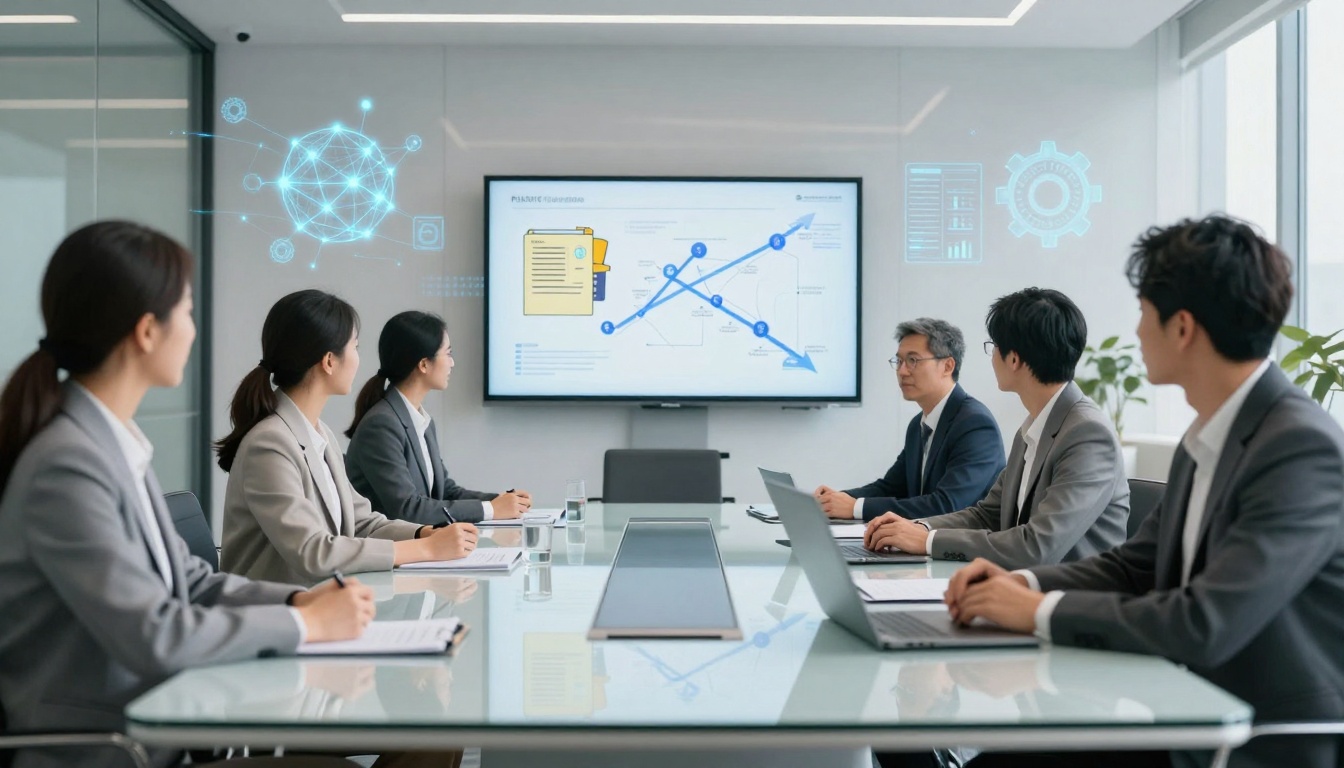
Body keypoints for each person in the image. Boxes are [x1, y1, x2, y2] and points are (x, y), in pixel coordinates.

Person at [943, 216, 1344, 768]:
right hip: (1180, 706)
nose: (1135, 332)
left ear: (1181, 328)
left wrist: (1035, 610)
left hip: (1255, 737)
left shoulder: (1299, 447)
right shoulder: (1209, 434)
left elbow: (1204, 623)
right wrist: (1017, 581)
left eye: (1142, 313)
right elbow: (1134, 566)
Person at [0, 221, 372, 768]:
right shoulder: (67, 466)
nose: (194, 332)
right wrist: (306, 624)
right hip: (114, 752)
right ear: (147, 331)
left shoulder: (110, 443)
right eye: (188, 312)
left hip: (168, 726)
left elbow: (190, 581)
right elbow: (154, 634)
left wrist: (297, 601)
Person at [217, 291, 478, 587]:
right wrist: (425, 549)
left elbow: (361, 522)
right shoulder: (269, 443)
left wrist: (423, 533)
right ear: (329, 361)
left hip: (321, 604)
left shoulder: (319, 432)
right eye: (354, 346)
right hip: (273, 616)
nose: (357, 357)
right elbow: (312, 550)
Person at [864, 289, 1129, 570]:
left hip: (1070, 600)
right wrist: (916, 527)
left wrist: (928, 540)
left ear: (1013, 360)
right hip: (1020, 587)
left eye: (994, 347)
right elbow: (987, 514)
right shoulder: (1032, 429)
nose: (992, 358)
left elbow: (1037, 546)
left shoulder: (1086, 434)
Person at [345, 311, 530, 525]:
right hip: (393, 553)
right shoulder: (381, 425)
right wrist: (490, 509)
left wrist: (501, 501)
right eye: (448, 354)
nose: (452, 363)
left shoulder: (421, 420)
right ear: (424, 364)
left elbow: (444, 491)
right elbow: (407, 509)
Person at [814, 318, 1004, 521]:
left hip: (959, 549)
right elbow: (891, 487)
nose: (902, 371)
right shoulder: (918, 425)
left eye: (913, 360)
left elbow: (947, 505)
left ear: (947, 366)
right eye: (899, 361)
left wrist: (856, 507)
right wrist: (836, 499)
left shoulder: (975, 425)